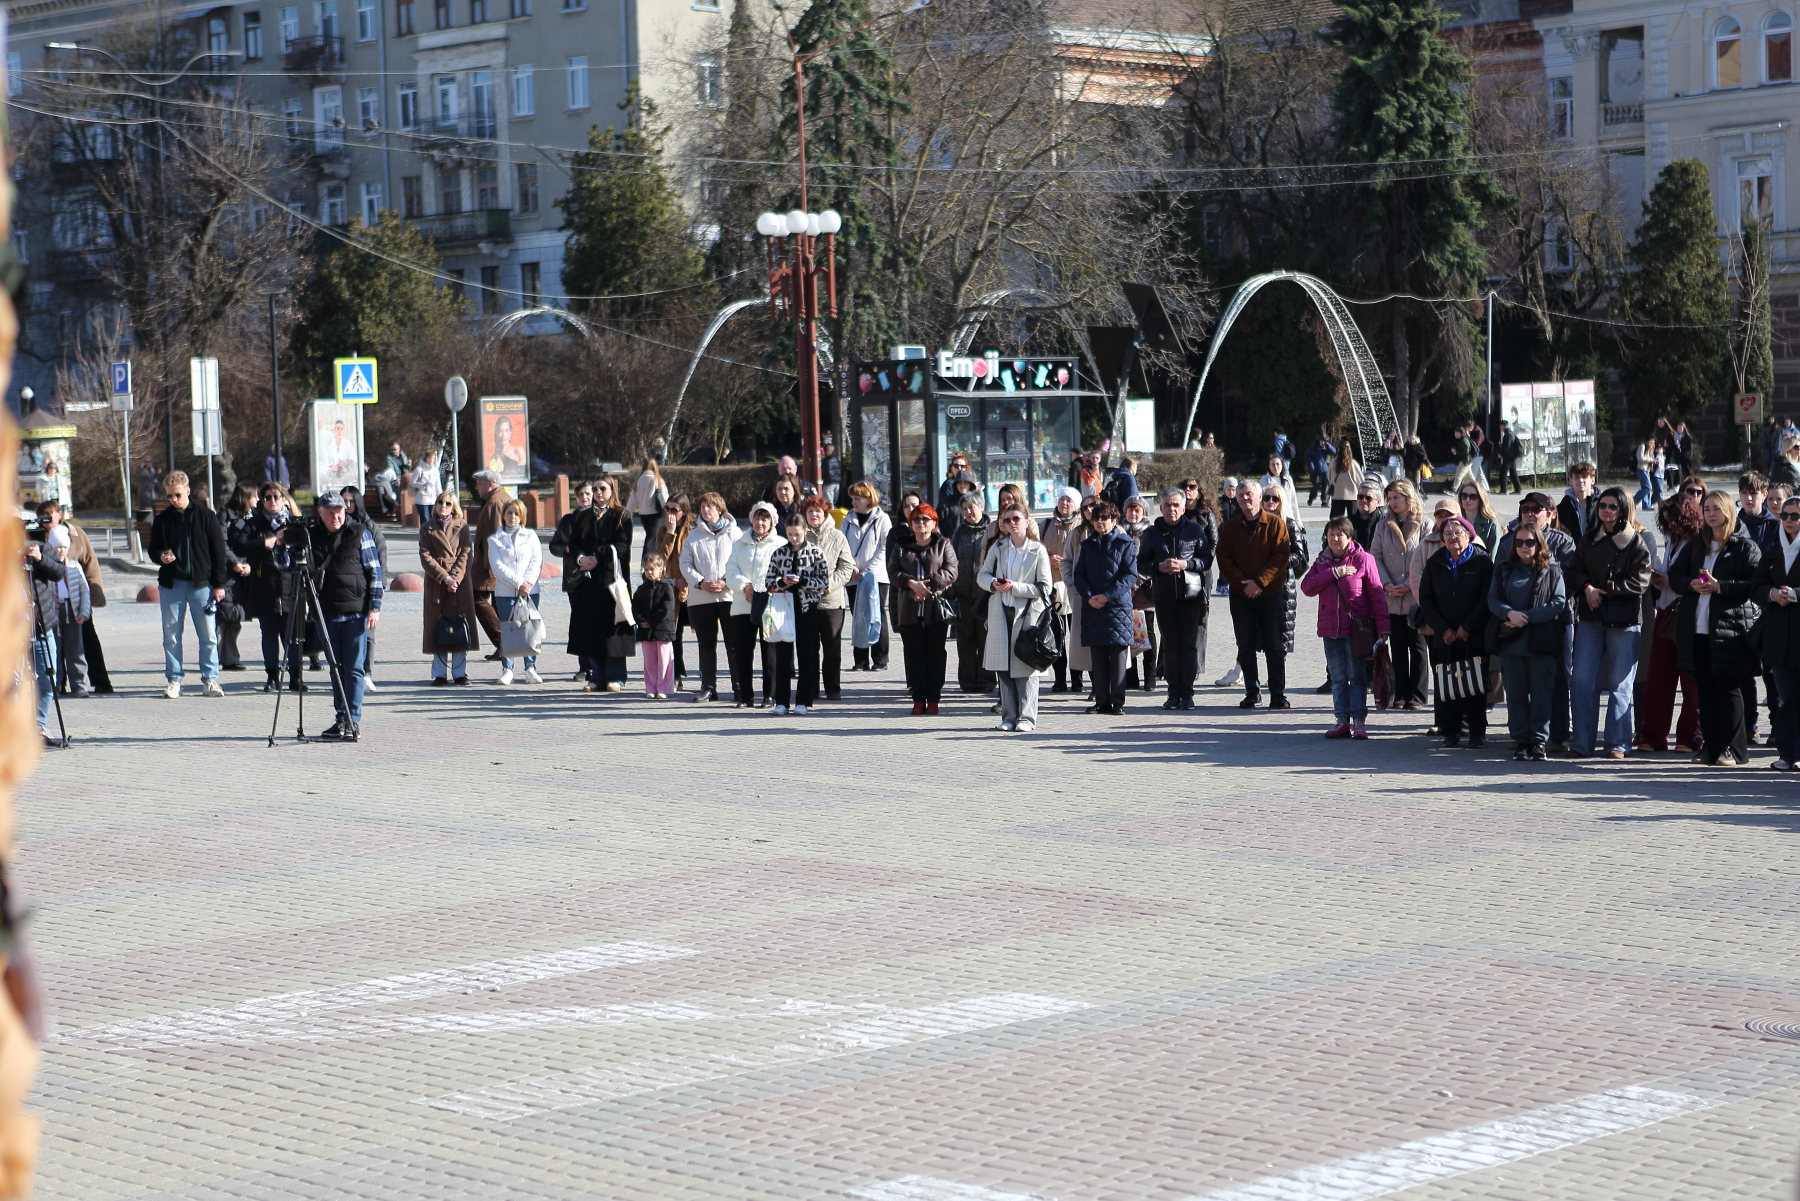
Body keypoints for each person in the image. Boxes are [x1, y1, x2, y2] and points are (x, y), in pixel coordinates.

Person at [1670, 490, 1762, 767]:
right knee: (1706, 692)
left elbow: (1755, 585)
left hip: (1729, 630)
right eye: (1707, 509)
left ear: (1728, 511)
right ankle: (1711, 747)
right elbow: (1675, 576)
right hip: (1697, 629)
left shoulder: (1744, 546)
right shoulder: (1696, 545)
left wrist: (1720, 587)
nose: (1711, 514)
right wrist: (1690, 585)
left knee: (1729, 690)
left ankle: (1734, 750)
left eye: (1716, 509)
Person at [1564, 486, 1651, 758]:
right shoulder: (1589, 539)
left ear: (1623, 510)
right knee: (1581, 682)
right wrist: (1587, 588)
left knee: (1620, 685)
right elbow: (1573, 570)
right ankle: (1581, 743)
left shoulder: (1635, 541)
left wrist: (1607, 591)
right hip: (1590, 619)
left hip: (1624, 621)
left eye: (1613, 506)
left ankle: (1617, 743)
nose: (1607, 511)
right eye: (1603, 505)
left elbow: (1642, 580)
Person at [300, 491, 383, 741]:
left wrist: (374, 607)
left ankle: (352, 719)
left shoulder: (359, 533)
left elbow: (375, 572)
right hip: (325, 613)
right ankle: (341, 718)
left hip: (356, 613)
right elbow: (291, 567)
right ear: (320, 513)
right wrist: (282, 545)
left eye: (339, 511)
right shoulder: (310, 537)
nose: (335, 516)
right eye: (330, 512)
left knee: (354, 669)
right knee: (336, 669)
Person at [1301, 516, 1388, 738]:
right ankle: (1341, 720)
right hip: (1330, 629)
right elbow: (1307, 587)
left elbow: (1377, 596)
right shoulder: (1322, 561)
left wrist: (1383, 628)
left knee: (1357, 676)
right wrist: (1333, 573)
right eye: (1330, 534)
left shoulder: (1363, 559)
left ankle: (1358, 721)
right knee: (1338, 677)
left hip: (1356, 630)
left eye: (1339, 534)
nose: (1334, 539)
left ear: (1349, 537)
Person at [1488, 521, 1568, 759]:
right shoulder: (1504, 568)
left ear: (1539, 544)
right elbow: (1493, 599)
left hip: (1541, 642)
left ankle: (1538, 742)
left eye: (1530, 542)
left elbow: (1558, 602)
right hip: (1511, 642)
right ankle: (1521, 740)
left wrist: (1527, 617)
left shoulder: (1552, 569)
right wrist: (1508, 613)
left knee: (1542, 694)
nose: (1524, 546)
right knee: (1515, 695)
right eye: (1519, 542)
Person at [147, 470, 229, 699]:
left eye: (177, 495)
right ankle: (174, 680)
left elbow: (218, 552)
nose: (173, 499)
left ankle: (210, 679)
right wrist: (161, 557)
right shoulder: (163, 519)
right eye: (169, 496)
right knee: (171, 636)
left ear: (188, 491)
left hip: (201, 585)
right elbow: (153, 549)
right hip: (172, 584)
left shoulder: (206, 516)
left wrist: (219, 584)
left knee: (208, 635)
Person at [1417, 515, 1493, 748]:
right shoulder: (1435, 562)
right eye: (1447, 534)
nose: (1453, 537)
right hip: (1445, 637)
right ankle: (1451, 732)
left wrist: (1468, 627)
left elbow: (1487, 598)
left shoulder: (1482, 561)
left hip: (1474, 636)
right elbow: (1426, 600)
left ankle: (1477, 733)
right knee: (1447, 686)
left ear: (1469, 536)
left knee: (1475, 687)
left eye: (1457, 533)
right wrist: (1443, 629)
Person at [1217, 479, 1291, 709]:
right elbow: (1223, 559)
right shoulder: (1230, 528)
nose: (1245, 498)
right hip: (1241, 596)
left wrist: (1259, 582)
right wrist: (1244, 584)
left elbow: (1281, 557)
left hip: (1270, 594)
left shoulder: (1276, 524)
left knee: (1274, 646)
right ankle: (1252, 692)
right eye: (1241, 495)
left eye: (1249, 494)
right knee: (1245, 646)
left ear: (1259, 497)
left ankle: (1277, 694)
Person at [978, 505, 1053, 731]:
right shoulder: (999, 547)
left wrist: (1015, 587)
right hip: (1000, 611)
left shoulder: (1038, 550)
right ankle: (1008, 717)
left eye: (1016, 518)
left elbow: (1045, 587)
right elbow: (982, 575)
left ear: (1027, 521)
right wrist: (993, 583)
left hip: (1028, 613)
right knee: (1003, 667)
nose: (1011, 523)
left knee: (1026, 667)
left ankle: (1027, 718)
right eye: (1007, 519)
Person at [1639, 493, 1703, 753]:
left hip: (1690, 613)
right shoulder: (1671, 539)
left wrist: (1671, 581)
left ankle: (1690, 737)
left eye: (1675, 519)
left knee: (1691, 680)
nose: (1671, 525)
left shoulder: (1701, 541)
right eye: (1666, 520)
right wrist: (1660, 579)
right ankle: (1654, 735)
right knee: (1658, 675)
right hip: (1665, 610)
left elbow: (1702, 579)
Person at [1138, 486, 1212, 709]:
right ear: (1161, 508)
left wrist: (1186, 564)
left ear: (1183, 507)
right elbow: (1141, 564)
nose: (1172, 509)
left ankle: (1187, 694)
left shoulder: (1195, 530)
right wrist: (1158, 567)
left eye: (1176, 505)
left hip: (1190, 596)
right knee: (1170, 647)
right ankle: (1172, 694)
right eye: (1167, 505)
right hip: (1164, 596)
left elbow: (1206, 559)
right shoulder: (1151, 533)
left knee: (1188, 646)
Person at [886, 503, 957, 715]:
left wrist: (928, 585)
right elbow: (892, 571)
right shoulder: (901, 545)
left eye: (926, 519)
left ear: (934, 523)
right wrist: (910, 583)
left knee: (936, 654)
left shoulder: (943, 544)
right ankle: (918, 698)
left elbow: (951, 570)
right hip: (909, 608)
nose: (921, 523)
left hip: (935, 608)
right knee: (914, 655)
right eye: (916, 519)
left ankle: (933, 698)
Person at [568, 475, 636, 692]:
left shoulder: (621, 515)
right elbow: (574, 543)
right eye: (595, 488)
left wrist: (597, 556)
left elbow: (622, 545)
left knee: (612, 630)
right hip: (588, 582)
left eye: (603, 489)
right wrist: (581, 559)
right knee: (591, 629)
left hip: (611, 580)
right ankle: (596, 676)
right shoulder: (584, 516)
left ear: (612, 490)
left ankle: (616, 676)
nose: (598, 493)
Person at [1070, 500, 1136, 714]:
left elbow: (1130, 575)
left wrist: (1107, 596)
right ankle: (1101, 701)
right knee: (1097, 656)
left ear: (1114, 520)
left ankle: (1117, 701)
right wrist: (1089, 597)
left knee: (1117, 656)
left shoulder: (1125, 543)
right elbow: (1079, 574)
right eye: (1096, 518)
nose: (1099, 521)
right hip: (1093, 606)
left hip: (1117, 606)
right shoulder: (1087, 545)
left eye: (1104, 517)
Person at [764, 512, 830, 714]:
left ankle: (803, 701)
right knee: (783, 657)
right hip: (783, 609)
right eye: (790, 534)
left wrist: (802, 581)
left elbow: (824, 583)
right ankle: (781, 702)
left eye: (798, 534)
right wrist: (782, 582)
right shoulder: (779, 553)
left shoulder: (816, 553)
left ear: (805, 531)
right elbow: (768, 582)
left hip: (807, 608)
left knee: (806, 656)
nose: (794, 538)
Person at [678, 491, 741, 702]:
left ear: (720, 509)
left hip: (729, 596)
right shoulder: (693, 535)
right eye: (703, 507)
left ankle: (739, 686)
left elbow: (741, 561)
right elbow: (685, 563)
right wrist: (700, 582)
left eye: (710, 506)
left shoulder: (735, 533)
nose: (705, 510)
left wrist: (726, 581)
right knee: (706, 644)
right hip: (701, 597)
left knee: (734, 644)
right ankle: (708, 687)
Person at [1755, 493, 1800, 769]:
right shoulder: (1773, 552)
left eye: (1795, 516)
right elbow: (1756, 586)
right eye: (1785, 515)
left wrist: (1795, 594)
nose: (1789, 520)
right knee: (1785, 698)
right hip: (1779, 638)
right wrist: (1772, 594)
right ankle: (1786, 754)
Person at [1371, 480, 1425, 711]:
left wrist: (1408, 584)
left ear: (1408, 497)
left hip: (1415, 594)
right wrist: (1386, 583)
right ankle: (1400, 693)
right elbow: (1375, 556)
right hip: (1391, 593)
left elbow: (1427, 558)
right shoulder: (1382, 526)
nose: (1392, 502)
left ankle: (1418, 694)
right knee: (1398, 646)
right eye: (1389, 498)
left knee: (1418, 645)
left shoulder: (1425, 523)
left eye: (1396, 497)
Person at [725, 502, 783, 707]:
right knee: (742, 651)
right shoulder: (739, 544)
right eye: (757, 517)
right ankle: (745, 696)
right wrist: (745, 586)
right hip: (743, 603)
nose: (760, 522)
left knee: (770, 652)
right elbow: (730, 570)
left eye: (765, 518)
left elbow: (782, 573)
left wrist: (759, 588)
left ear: (772, 522)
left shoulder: (780, 544)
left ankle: (770, 695)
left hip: (769, 604)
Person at [420, 492, 479, 685]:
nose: (443, 506)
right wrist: (445, 578)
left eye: (448, 503)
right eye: (440, 502)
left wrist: (455, 578)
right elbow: (425, 557)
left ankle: (460, 673)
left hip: (459, 585)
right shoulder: (426, 528)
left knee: (459, 624)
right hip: (436, 584)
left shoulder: (462, 526)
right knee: (437, 626)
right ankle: (439, 673)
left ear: (454, 507)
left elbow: (466, 554)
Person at [803, 495, 855, 701]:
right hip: (806, 601)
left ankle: (833, 688)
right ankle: (811, 688)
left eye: (818, 511)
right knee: (809, 648)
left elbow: (846, 567)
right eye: (810, 511)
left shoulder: (837, 536)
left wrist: (828, 585)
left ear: (825, 514)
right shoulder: (800, 535)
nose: (814, 515)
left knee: (832, 647)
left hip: (832, 601)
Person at [488, 497, 544, 685]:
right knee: (507, 630)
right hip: (505, 592)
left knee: (529, 628)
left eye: (517, 513)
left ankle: (530, 668)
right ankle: (507, 669)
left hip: (529, 591)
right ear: (503, 515)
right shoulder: (494, 540)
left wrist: (527, 584)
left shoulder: (531, 536)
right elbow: (498, 567)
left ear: (522, 516)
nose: (513, 517)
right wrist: (518, 582)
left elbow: (536, 561)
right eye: (509, 513)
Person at [341, 487, 390, 690]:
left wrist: (381, 584)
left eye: (350, 501)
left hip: (367, 584)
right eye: (344, 501)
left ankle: (366, 672)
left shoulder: (368, 525)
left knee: (368, 631)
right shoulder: (338, 524)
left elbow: (381, 554)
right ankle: (348, 672)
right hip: (345, 588)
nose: (347, 505)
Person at [842, 482, 892, 672]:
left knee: (877, 614)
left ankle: (880, 658)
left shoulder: (882, 519)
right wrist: (852, 567)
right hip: (853, 575)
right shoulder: (848, 519)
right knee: (858, 615)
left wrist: (869, 569)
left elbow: (885, 547)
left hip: (876, 576)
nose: (853, 502)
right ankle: (860, 660)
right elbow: (842, 545)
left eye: (857, 498)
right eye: (852, 498)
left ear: (868, 499)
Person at [549, 481, 597, 681]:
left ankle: (599, 666)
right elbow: (554, 545)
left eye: (587, 493)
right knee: (580, 624)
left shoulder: (599, 517)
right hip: (574, 578)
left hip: (596, 575)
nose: (584, 497)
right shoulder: (568, 520)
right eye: (580, 494)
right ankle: (584, 667)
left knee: (597, 622)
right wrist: (566, 549)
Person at [950, 492, 996, 696]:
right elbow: (951, 559)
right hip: (962, 594)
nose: (968, 512)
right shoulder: (960, 532)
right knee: (965, 639)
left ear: (981, 506)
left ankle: (986, 680)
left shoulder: (991, 530)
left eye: (972, 507)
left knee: (985, 638)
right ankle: (968, 681)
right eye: (965, 509)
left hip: (985, 594)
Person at [1039, 487, 1084, 693]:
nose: (1064, 503)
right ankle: (1059, 679)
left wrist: (1067, 562)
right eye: (1062, 499)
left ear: (1076, 505)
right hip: (1052, 586)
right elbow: (1036, 549)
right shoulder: (1045, 525)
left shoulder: (1082, 526)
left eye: (1069, 500)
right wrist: (1048, 558)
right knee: (1056, 634)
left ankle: (1077, 679)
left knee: (1076, 636)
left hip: (1074, 586)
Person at [1264, 486, 1310, 685]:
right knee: (1264, 631)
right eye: (1266, 498)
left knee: (1282, 630)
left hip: (1283, 583)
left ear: (1282, 501)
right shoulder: (1259, 523)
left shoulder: (1289, 524)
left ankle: (1277, 676)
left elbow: (1299, 555)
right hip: (1263, 583)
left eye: (1275, 498)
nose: (1270, 502)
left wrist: (1277, 562)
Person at [649, 493, 695, 691]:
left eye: (674, 510)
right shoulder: (662, 530)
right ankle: (676, 675)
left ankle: (706, 678)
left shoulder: (693, 531)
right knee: (673, 633)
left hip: (692, 588)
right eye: (667, 509)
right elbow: (660, 559)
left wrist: (687, 580)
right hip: (670, 589)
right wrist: (670, 533)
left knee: (703, 633)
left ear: (684, 511)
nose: (670, 513)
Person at [24, 531, 66, 744]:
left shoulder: (40, 544)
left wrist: (40, 558)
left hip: (42, 625)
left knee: (48, 680)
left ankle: (38, 726)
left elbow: (59, 572)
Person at [468, 470, 513, 656]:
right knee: (497, 602)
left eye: (480, 483)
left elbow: (495, 536)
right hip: (493, 561)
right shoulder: (499, 498)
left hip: (490, 563)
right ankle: (505, 644)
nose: (476, 487)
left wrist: (492, 564)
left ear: (491, 484)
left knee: (476, 597)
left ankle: (503, 642)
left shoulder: (495, 502)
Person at [215, 482, 258, 675]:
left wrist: (249, 564)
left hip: (243, 575)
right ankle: (220, 659)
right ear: (245, 497)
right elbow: (220, 544)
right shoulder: (225, 517)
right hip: (227, 574)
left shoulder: (251, 517)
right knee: (224, 618)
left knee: (234, 617)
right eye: (255, 496)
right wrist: (235, 563)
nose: (257, 500)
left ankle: (229, 658)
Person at [1121, 495, 1157, 693]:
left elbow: (1152, 560)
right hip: (1124, 592)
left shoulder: (1150, 532)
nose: (1133, 514)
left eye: (1137, 510)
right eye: (1130, 510)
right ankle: (1131, 677)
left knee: (1148, 632)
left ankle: (1150, 676)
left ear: (1144, 512)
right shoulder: (1119, 530)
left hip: (1145, 590)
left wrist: (1135, 583)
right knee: (1128, 633)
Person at [633, 553, 679, 699]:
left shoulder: (666, 587)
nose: (649, 572)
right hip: (645, 631)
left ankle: (664, 688)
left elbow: (666, 608)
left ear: (661, 569)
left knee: (665, 660)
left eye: (652, 569)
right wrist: (641, 620)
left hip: (663, 630)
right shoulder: (641, 589)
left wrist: (651, 621)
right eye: (646, 569)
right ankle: (650, 687)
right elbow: (635, 607)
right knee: (650, 662)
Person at [1457, 478, 1501, 553]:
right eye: (1464, 496)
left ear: (1481, 499)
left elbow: (1494, 554)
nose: (1467, 500)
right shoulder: (1456, 522)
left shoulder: (1491, 524)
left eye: (1473, 497)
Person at [629, 456, 668, 539]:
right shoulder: (657, 480)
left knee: (650, 536)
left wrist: (629, 514)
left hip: (643, 514)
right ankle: (648, 549)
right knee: (652, 538)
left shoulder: (638, 481)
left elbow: (632, 500)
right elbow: (665, 496)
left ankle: (652, 548)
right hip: (655, 512)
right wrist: (668, 510)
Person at [1557, 462, 1599, 540]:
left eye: (1584, 477)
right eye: (1576, 477)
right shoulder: (1562, 508)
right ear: (1571, 481)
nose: (1580, 480)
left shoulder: (1602, 505)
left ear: (1592, 480)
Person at [1325, 442, 1360, 519]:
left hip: (1337, 494)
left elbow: (1329, 477)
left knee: (1336, 521)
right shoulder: (1353, 463)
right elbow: (1360, 481)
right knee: (1354, 521)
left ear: (1338, 449)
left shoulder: (1333, 462)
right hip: (1352, 495)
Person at [408, 451, 441, 523]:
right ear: (426, 458)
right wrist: (421, 485)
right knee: (425, 520)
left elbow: (438, 485)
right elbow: (412, 482)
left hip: (433, 499)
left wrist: (441, 497)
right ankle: (425, 530)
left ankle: (432, 531)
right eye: (429, 458)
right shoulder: (419, 469)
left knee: (433, 519)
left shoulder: (435, 470)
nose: (431, 460)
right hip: (422, 499)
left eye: (433, 458)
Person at [1306, 434, 1337, 507]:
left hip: (1325, 469)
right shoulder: (1314, 447)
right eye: (1321, 441)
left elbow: (1334, 452)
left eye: (1324, 441)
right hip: (1316, 469)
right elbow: (1308, 457)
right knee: (1316, 485)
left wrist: (1328, 445)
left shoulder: (1326, 448)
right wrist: (1311, 466)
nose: (1322, 442)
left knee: (1326, 485)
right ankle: (1311, 498)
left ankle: (1325, 501)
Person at [1493, 420, 1522, 494]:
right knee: (1513, 473)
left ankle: (1503, 490)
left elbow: (1507, 446)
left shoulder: (1507, 434)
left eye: (1501, 426)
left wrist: (1501, 454)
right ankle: (1518, 489)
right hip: (1512, 456)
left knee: (1503, 473)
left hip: (1508, 457)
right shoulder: (1511, 433)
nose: (1500, 427)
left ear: (1504, 425)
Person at [1633, 439, 1658, 511]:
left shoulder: (1650, 449)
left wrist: (1653, 461)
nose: (1653, 444)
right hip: (1642, 469)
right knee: (1648, 487)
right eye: (1652, 442)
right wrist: (1651, 460)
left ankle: (1646, 505)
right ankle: (1633, 501)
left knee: (1645, 488)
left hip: (1647, 469)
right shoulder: (1642, 446)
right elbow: (1640, 458)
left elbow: (1650, 458)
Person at [821, 435, 843, 505]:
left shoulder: (825, 461)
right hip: (837, 482)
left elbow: (823, 472)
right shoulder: (837, 460)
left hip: (828, 482)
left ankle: (831, 512)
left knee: (828, 502)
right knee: (834, 501)